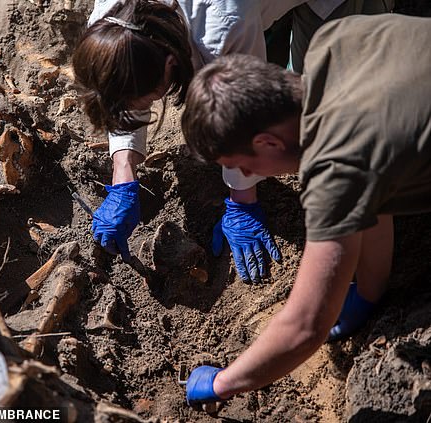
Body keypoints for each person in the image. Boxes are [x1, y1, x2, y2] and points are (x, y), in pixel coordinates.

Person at [180, 14, 431, 404]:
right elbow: (374, 198)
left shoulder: (335, 167)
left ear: (268, 142)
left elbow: (305, 325)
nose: (246, 175)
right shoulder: (335, 41)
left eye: (243, 165)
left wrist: (221, 383)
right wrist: (368, 292)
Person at [72, 0, 392, 283]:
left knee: (329, 109)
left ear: (170, 64)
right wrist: (123, 175)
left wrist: (243, 202)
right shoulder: (110, 21)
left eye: (147, 100)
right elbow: (121, 94)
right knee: (263, 36)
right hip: (242, 14)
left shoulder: (223, 26)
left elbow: (244, 119)